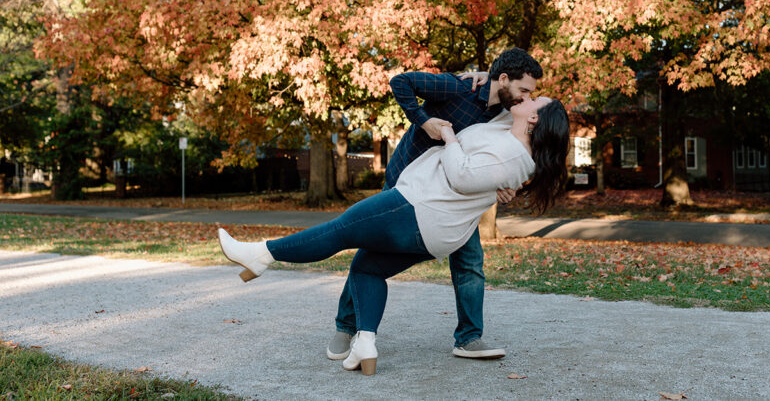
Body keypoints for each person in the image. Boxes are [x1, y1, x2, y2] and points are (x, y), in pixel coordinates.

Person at [218, 94, 569, 375]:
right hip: (434, 229)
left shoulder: (512, 156)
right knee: (367, 269)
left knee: (340, 230)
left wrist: (448, 138)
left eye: (535, 100)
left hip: (417, 208)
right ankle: (365, 344)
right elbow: (500, 100)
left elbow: (461, 175)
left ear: (535, 119)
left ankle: (261, 254)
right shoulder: (509, 133)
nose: (528, 97)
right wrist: (481, 79)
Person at [328, 48, 544, 364]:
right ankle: (346, 326)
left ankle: (469, 338)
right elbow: (400, 82)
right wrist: (424, 120)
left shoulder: (507, 112)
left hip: (452, 200)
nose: (526, 97)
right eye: (523, 89)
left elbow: (495, 154)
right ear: (503, 79)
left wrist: (502, 185)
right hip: (406, 185)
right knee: (369, 253)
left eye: (530, 93)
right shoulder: (458, 87)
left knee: (470, 261)